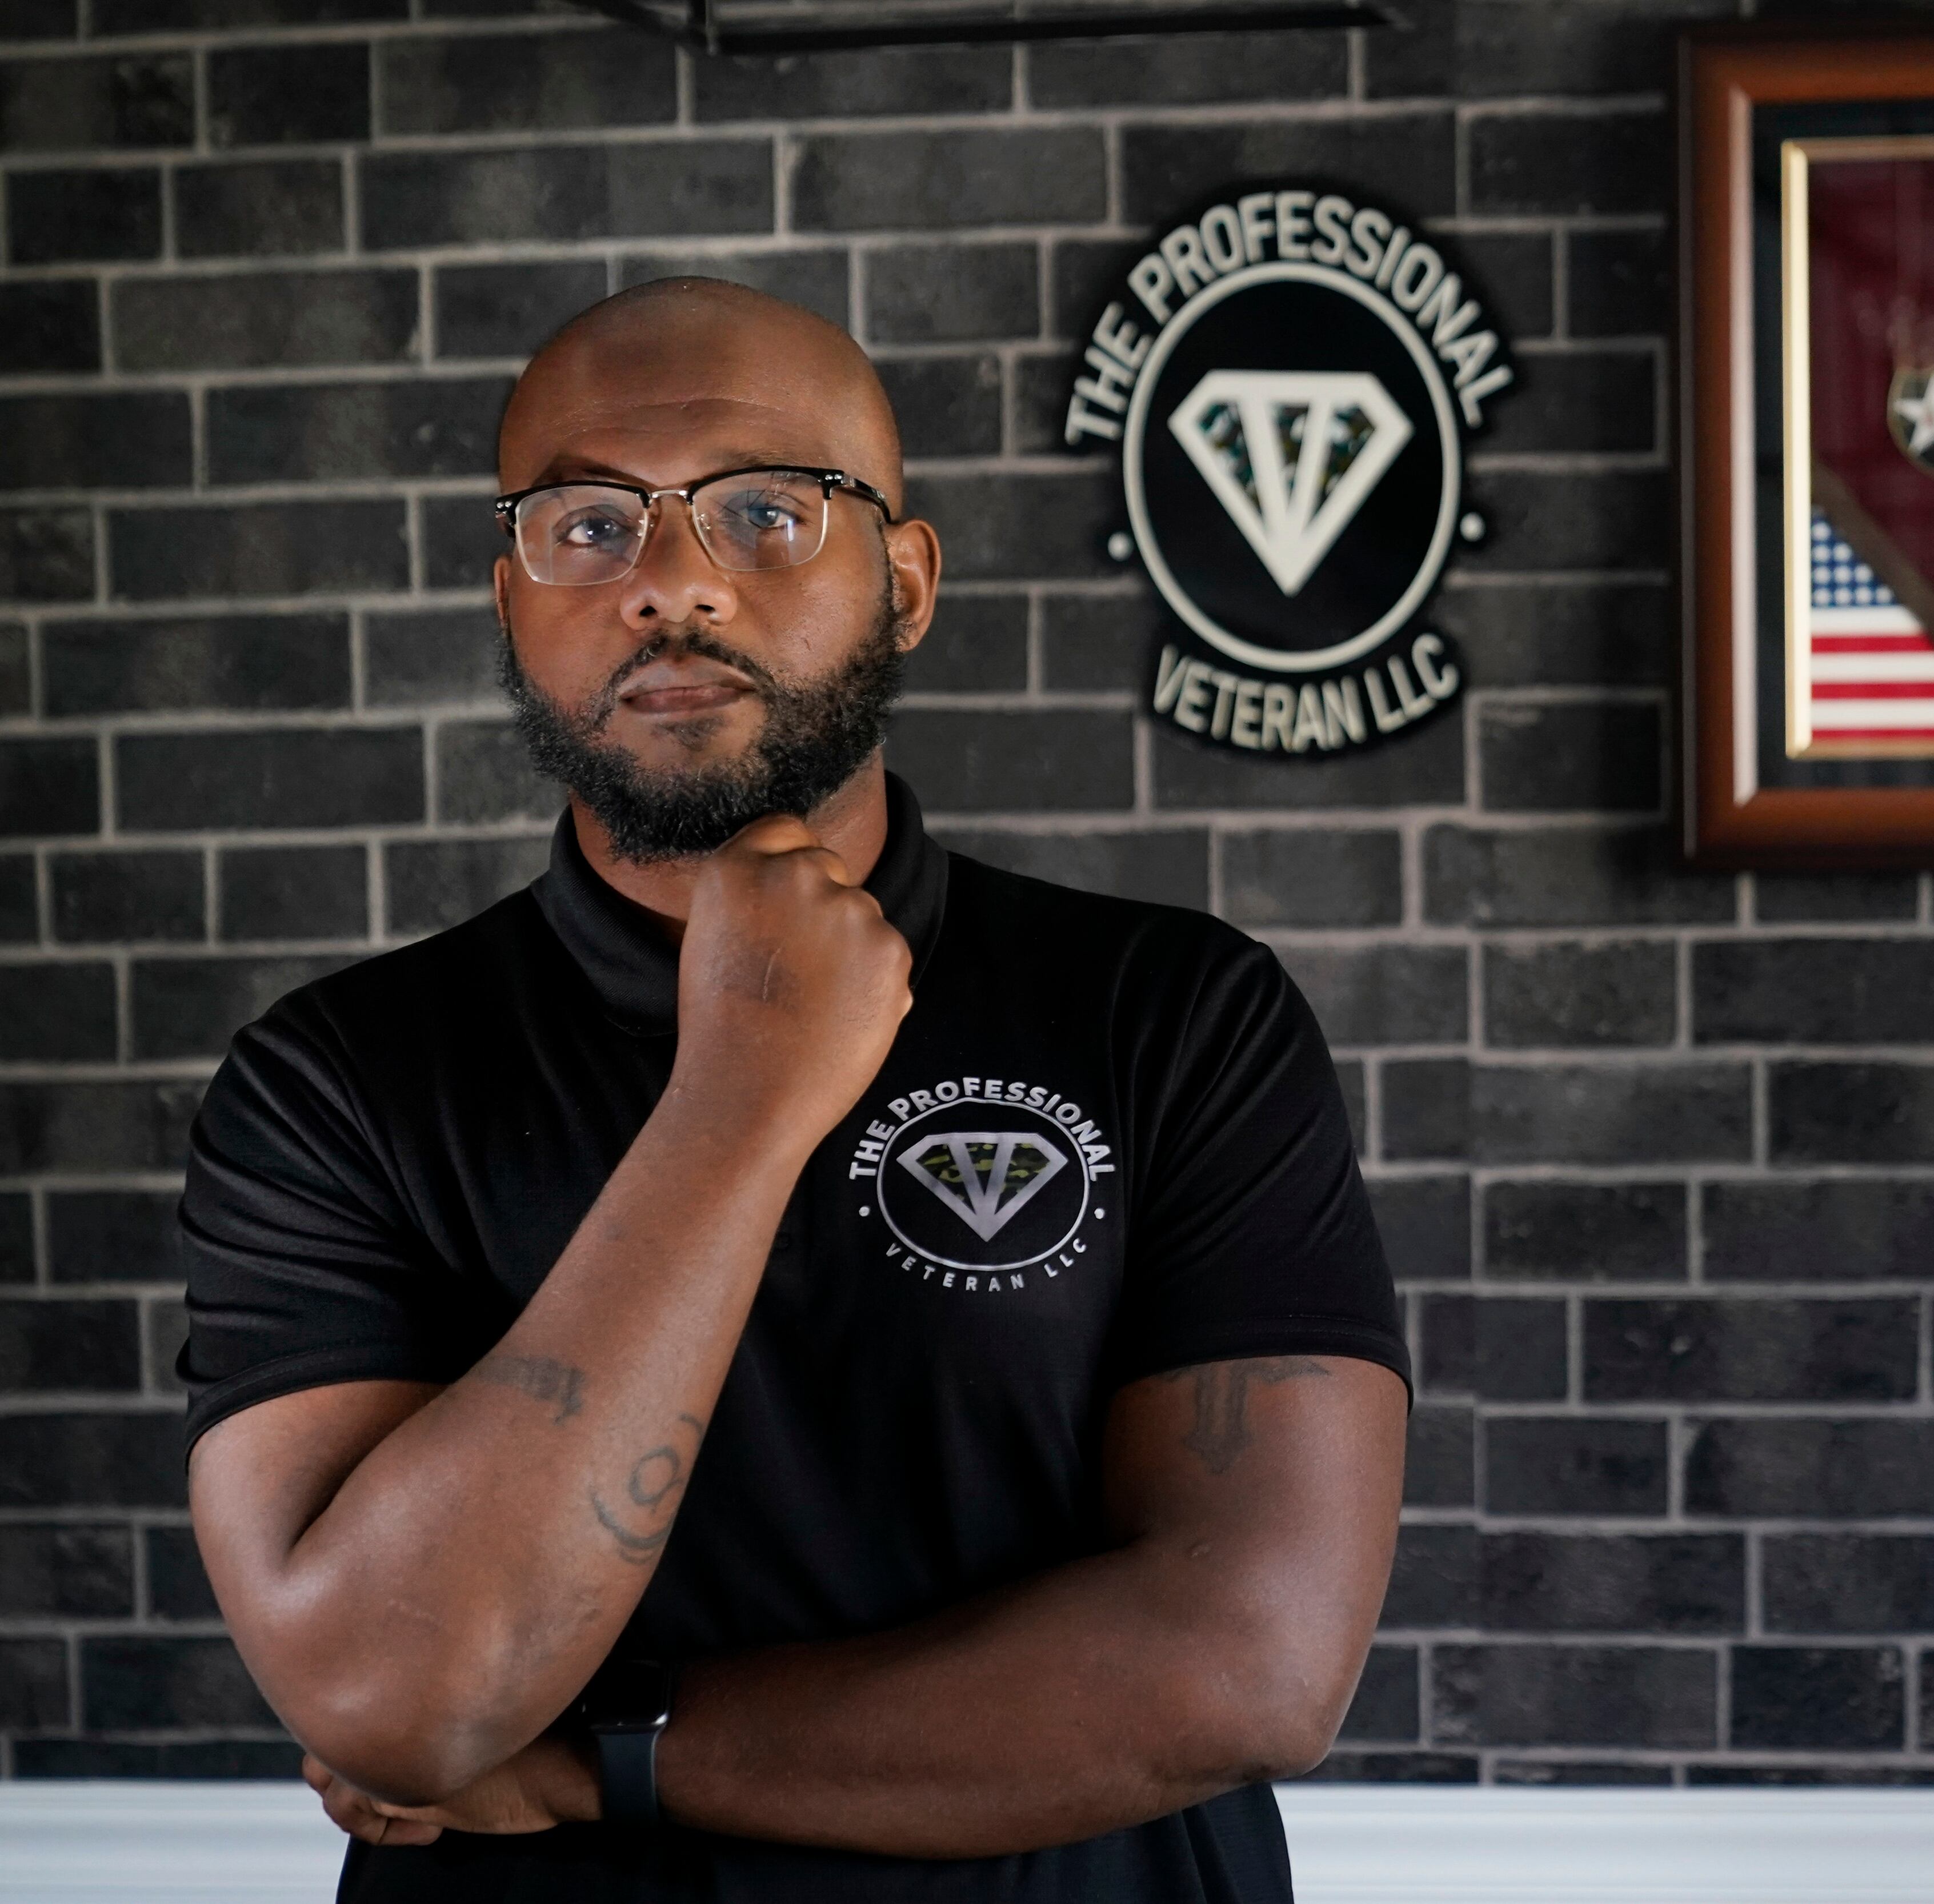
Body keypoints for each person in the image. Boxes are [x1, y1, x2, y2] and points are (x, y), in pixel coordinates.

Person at [174, 277, 1411, 1902]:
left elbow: (1249, 1662)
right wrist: (744, 1094)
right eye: (588, 525)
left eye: (766, 511)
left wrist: (594, 1768)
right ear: (511, 593)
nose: (670, 582)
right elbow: (395, 1698)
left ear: (904, 583)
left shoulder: (1173, 1014)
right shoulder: (333, 1083)